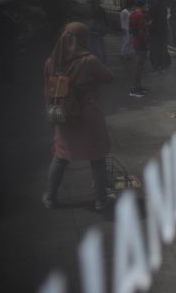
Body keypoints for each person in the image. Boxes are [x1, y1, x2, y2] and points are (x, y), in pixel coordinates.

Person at [42, 22, 114, 211]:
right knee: (97, 157)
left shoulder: (51, 62)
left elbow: (47, 90)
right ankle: (100, 200)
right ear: (83, 39)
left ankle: (50, 198)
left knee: (60, 156)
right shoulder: (89, 61)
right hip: (88, 115)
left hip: (63, 115)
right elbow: (108, 78)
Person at [129, 0, 149, 97]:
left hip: (135, 41)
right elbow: (141, 30)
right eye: (145, 5)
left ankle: (138, 86)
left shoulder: (132, 14)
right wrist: (146, 41)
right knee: (138, 67)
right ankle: (134, 89)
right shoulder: (140, 15)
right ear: (143, 5)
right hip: (141, 43)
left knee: (139, 66)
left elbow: (132, 29)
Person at [147, 0, 171, 72]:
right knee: (163, 49)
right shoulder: (163, 9)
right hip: (162, 32)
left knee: (154, 49)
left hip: (154, 32)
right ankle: (162, 66)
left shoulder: (152, 9)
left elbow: (149, 20)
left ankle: (155, 66)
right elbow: (165, 21)